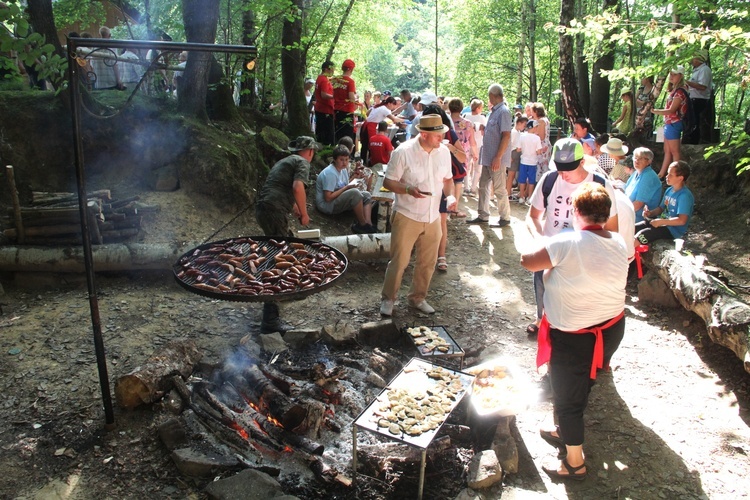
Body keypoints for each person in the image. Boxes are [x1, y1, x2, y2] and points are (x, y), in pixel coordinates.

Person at [520, 182, 628, 481]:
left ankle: (574, 463)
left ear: (576, 212)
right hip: (610, 329)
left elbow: (527, 261)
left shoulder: (566, 242)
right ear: (605, 215)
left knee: (567, 400)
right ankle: (563, 429)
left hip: (574, 337)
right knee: (583, 382)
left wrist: (534, 238)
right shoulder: (618, 241)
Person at [525, 138, 619, 337]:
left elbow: (612, 229)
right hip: (551, 249)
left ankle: (579, 328)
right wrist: (539, 239)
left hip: (585, 253)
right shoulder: (550, 180)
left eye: (568, 169)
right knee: (542, 284)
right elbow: (533, 216)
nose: (563, 175)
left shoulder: (600, 185)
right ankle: (542, 319)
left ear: (582, 162)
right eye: (560, 169)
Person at [379, 115, 456, 316]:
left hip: (432, 217)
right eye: (438, 135)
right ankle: (388, 299)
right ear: (423, 134)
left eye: (442, 133)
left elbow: (448, 180)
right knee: (400, 260)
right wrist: (407, 188)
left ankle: (417, 298)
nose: (442, 138)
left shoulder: (444, 152)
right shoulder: (403, 152)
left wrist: (450, 198)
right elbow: (388, 182)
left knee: (428, 261)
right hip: (407, 214)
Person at [255, 136, 319, 333]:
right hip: (273, 210)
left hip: (264, 209)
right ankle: (270, 319)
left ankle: (285, 290)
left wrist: (294, 207)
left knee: (286, 247)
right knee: (279, 256)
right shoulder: (302, 162)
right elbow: (297, 187)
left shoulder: (284, 161)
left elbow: (280, 188)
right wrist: (305, 213)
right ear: (310, 151)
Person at [467, 83, 512, 228]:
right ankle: (483, 215)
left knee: (499, 188)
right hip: (487, 156)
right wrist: (485, 129)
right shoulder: (495, 111)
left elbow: (506, 135)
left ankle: (505, 217)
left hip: (496, 158)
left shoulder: (504, 111)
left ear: (493, 96)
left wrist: (498, 157)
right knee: (483, 186)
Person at [316, 145, 376, 234]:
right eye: (341, 160)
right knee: (355, 193)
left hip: (337, 197)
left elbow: (345, 184)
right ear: (335, 159)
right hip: (327, 205)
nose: (344, 162)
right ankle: (362, 225)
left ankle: (368, 223)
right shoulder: (330, 173)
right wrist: (347, 188)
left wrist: (355, 177)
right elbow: (328, 197)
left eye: (347, 159)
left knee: (366, 194)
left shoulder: (343, 169)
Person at [635, 160, 693, 245]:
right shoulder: (669, 190)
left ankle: (627, 255)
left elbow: (682, 221)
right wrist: (650, 213)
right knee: (633, 228)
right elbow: (661, 208)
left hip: (673, 230)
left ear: (680, 178)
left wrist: (661, 222)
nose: (667, 176)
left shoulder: (684, 196)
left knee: (642, 235)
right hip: (661, 223)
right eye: (667, 173)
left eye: (671, 175)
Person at [652, 66, 689, 178]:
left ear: (681, 76)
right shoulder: (674, 90)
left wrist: (655, 111)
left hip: (674, 123)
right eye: (671, 74)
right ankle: (662, 174)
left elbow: (672, 110)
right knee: (667, 151)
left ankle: (677, 175)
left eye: (675, 74)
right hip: (669, 124)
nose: (671, 76)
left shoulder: (680, 92)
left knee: (675, 152)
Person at [447, 97, 477, 212]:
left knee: (448, 178)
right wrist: (475, 154)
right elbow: (472, 142)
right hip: (463, 154)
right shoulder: (468, 124)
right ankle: (455, 206)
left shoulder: (446, 123)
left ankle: (447, 204)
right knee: (459, 180)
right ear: (461, 108)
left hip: (448, 152)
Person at [360, 96, 404, 166]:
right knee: (371, 144)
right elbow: (394, 119)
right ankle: (371, 161)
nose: (393, 108)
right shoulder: (385, 109)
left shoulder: (379, 106)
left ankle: (363, 161)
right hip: (371, 126)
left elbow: (367, 113)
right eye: (393, 106)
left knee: (365, 144)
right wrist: (405, 120)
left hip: (367, 124)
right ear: (389, 104)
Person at [623, 147, 661, 223]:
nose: (637, 161)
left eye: (641, 158)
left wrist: (620, 213)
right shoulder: (636, 173)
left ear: (649, 161)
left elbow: (638, 205)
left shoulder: (649, 176)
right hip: (629, 214)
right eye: (635, 157)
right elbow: (625, 191)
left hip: (640, 220)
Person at [686, 50, 712, 145]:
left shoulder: (704, 70)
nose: (692, 60)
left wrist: (687, 82)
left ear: (699, 59)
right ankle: (691, 140)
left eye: (694, 58)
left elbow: (702, 86)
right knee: (692, 121)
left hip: (699, 100)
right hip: (693, 99)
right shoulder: (696, 70)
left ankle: (694, 142)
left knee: (695, 121)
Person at [516, 116, 542, 205]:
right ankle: (530, 197)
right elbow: (538, 152)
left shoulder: (522, 136)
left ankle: (521, 197)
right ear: (533, 127)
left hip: (523, 161)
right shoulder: (537, 138)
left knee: (522, 179)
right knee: (531, 180)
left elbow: (518, 149)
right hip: (533, 162)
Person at [463, 99, 487, 196]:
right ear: (478, 108)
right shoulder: (482, 118)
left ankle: (466, 187)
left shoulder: (465, 116)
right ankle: (473, 188)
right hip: (478, 144)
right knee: (477, 168)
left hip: (467, 144)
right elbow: (484, 131)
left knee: (467, 166)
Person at [91, 26, 125, 90]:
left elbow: (92, 64)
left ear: (99, 35)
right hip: (111, 81)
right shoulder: (112, 46)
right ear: (109, 35)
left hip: (99, 82)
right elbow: (115, 65)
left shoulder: (94, 47)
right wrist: (118, 80)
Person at [332, 59, 357, 143]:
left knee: (338, 132)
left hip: (336, 109)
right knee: (347, 135)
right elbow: (351, 97)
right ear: (350, 69)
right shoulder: (350, 81)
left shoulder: (335, 79)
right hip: (347, 111)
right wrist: (355, 102)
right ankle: (346, 153)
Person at [314, 60, 336, 146]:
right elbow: (323, 95)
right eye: (332, 70)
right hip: (325, 110)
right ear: (327, 69)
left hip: (320, 108)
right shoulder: (323, 80)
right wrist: (334, 96)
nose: (333, 72)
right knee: (327, 133)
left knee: (320, 131)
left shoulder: (319, 78)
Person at [530, 102, 551, 182]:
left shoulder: (541, 121)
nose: (531, 113)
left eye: (532, 111)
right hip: (543, 146)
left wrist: (532, 133)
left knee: (541, 167)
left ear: (536, 111)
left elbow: (541, 136)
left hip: (542, 147)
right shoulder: (542, 120)